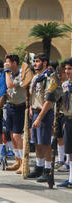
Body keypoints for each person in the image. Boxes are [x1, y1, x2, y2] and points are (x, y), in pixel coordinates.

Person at [28, 53, 61, 182]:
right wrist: (31, 107)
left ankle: (48, 169)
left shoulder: (51, 77)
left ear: (45, 63)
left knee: (45, 143)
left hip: (45, 113)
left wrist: (40, 117)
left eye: (37, 61)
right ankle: (39, 166)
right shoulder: (37, 77)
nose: (35, 64)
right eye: (34, 61)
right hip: (35, 111)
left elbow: (49, 100)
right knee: (36, 142)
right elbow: (33, 95)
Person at [3, 54, 27, 173]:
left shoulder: (21, 74)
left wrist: (6, 71)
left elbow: (10, 85)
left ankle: (24, 162)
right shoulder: (10, 74)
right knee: (12, 135)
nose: (6, 64)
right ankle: (17, 160)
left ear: (14, 63)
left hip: (19, 107)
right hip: (10, 106)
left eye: (8, 62)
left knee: (17, 135)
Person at [57, 57, 72, 187]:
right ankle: (71, 178)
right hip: (67, 120)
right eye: (66, 69)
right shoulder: (65, 85)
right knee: (70, 150)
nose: (67, 71)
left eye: (70, 69)